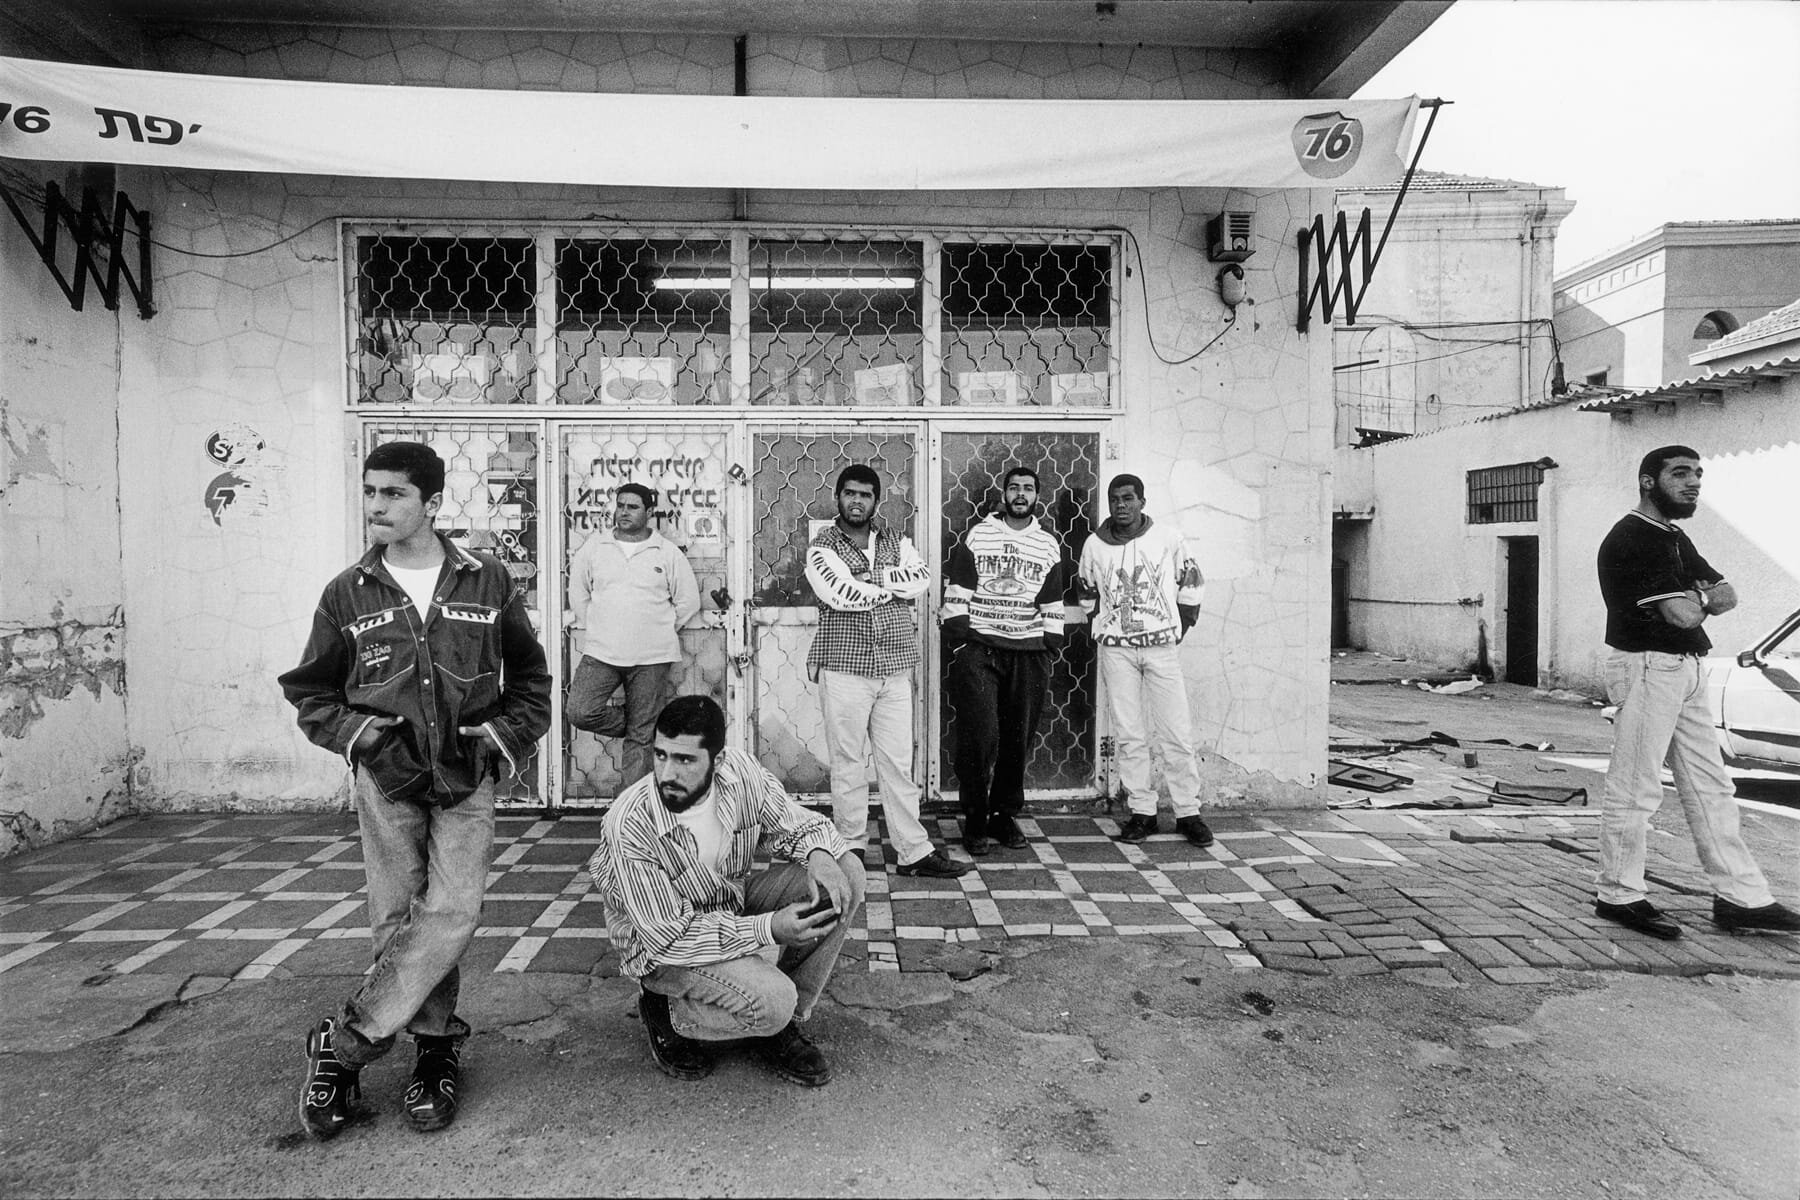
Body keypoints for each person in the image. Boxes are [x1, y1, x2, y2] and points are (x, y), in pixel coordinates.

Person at [278, 441, 551, 1140]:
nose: (377, 506)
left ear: (432, 503)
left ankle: (344, 1047)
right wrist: (363, 737)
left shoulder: (485, 582)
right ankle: (434, 1054)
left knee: (452, 911)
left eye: (394, 494)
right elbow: (310, 692)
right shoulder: (348, 592)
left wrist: (496, 740)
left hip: (465, 779)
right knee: (397, 918)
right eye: (370, 492)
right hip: (388, 781)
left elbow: (532, 685)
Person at [589, 695, 866, 1086]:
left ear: (716, 762)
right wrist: (769, 930)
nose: (667, 772)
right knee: (773, 1002)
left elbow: (794, 822)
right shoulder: (631, 822)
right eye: (661, 755)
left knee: (847, 871)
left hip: (725, 906)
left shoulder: (739, 773)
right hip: (664, 947)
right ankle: (666, 1010)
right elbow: (670, 939)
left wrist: (819, 853)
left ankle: (783, 1026)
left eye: (685, 760)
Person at [1592, 444, 1800, 939]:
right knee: (1637, 785)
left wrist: (1699, 596)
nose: (1694, 483)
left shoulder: (1673, 537)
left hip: (1685, 668)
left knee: (1712, 786)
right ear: (1648, 481)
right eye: (1680, 474)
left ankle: (1741, 899)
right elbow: (1683, 614)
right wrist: (1700, 598)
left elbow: (1726, 594)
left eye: (1698, 475)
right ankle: (1617, 894)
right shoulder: (1633, 538)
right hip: (1646, 666)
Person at [805, 464, 970, 877]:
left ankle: (913, 852)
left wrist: (873, 577)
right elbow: (840, 593)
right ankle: (851, 849)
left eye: (864, 494)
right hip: (844, 665)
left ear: (876, 500)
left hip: (894, 665)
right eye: (849, 493)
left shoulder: (896, 539)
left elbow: (921, 578)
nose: (856, 501)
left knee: (898, 763)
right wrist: (888, 588)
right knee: (847, 762)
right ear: (837, 498)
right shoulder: (821, 545)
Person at [1077, 473, 1214, 848]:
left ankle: (1188, 812)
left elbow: (1192, 584)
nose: (1121, 505)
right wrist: (1104, 625)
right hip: (1116, 649)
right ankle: (1142, 811)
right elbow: (1086, 593)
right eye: (1115, 499)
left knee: (1176, 731)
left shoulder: (1168, 538)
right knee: (1130, 733)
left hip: (1160, 648)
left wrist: (1178, 628)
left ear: (1142, 501)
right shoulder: (1094, 545)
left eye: (1128, 498)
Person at [942, 465, 1068, 856]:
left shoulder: (1047, 544)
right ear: (1003, 494)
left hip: (1028, 653)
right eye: (1013, 487)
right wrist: (962, 640)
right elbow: (958, 587)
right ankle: (975, 819)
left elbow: (1052, 599)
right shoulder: (980, 535)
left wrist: (1049, 645)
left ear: (1036, 497)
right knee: (980, 737)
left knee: (1018, 738)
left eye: (1028, 489)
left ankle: (1004, 816)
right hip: (982, 649)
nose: (1020, 494)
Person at [566, 482, 701, 786]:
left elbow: (688, 602)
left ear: (650, 512)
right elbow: (578, 593)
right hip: (602, 652)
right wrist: (602, 626)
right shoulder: (596, 547)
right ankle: (646, 724)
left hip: (652, 657)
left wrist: (659, 628)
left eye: (633, 507)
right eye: (621, 505)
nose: (624, 512)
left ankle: (630, 812)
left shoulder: (666, 553)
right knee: (580, 710)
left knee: (640, 741)